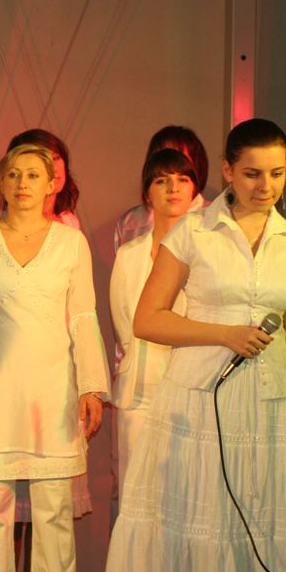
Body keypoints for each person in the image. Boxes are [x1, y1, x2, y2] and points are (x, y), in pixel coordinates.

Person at [101, 118, 286, 572]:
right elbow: (147, 319)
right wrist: (223, 332)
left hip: (268, 414)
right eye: (252, 173)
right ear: (227, 171)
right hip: (197, 405)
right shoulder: (193, 232)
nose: (265, 185)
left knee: (257, 533)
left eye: (276, 173)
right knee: (192, 530)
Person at [0, 144, 110, 572]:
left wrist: (92, 387)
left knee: (53, 521)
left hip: (53, 394)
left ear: (52, 184)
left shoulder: (71, 243)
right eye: (13, 174)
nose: (23, 183)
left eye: (34, 175)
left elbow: (84, 318)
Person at [109, 148, 201, 508]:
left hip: (188, 388)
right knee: (136, 500)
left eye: (182, 180)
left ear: (194, 190)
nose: (172, 188)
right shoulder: (129, 255)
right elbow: (124, 322)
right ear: (147, 192)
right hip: (139, 391)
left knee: (185, 498)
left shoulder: (204, 255)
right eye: (161, 181)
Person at [113, 125, 210, 251]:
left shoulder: (214, 219)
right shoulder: (130, 223)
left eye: (177, 158)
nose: (169, 164)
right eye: (162, 157)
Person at [6, 129, 82, 232]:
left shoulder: (69, 220)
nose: (54, 168)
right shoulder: (11, 226)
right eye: (44, 160)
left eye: (56, 158)